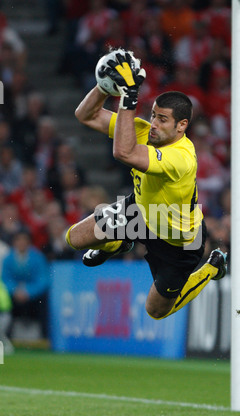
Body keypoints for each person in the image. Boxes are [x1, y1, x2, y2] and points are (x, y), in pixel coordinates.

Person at [65, 48, 227, 320]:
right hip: (139, 213)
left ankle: (213, 267)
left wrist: (128, 98)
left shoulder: (182, 158)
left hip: (178, 241)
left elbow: (123, 153)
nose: (153, 124)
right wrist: (104, 85)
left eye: (162, 119)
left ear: (181, 126)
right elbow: (85, 115)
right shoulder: (142, 130)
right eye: (153, 115)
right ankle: (119, 243)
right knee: (74, 238)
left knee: (155, 311)